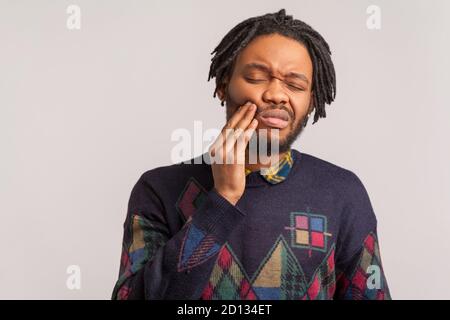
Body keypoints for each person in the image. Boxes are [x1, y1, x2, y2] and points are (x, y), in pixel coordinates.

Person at [112, 9, 391, 300]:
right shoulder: (159, 190)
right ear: (223, 86)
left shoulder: (342, 193)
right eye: (257, 77)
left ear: (310, 102)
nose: (276, 94)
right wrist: (221, 200)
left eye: (295, 85)